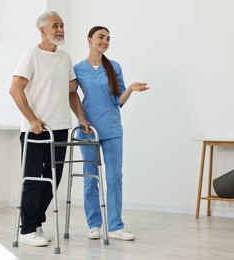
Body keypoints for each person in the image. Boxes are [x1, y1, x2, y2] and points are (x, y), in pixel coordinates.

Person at [9, 11, 90, 247]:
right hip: (36, 129)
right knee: (33, 180)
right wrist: (32, 119)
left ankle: (36, 223)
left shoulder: (65, 58)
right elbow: (15, 89)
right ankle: (26, 230)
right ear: (43, 30)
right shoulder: (31, 55)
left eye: (62, 25)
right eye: (55, 26)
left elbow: (72, 92)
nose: (60, 29)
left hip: (61, 127)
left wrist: (82, 118)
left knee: (54, 179)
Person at [74, 26, 149, 241]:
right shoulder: (77, 68)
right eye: (101, 37)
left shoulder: (114, 67)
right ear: (89, 39)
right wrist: (82, 120)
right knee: (91, 177)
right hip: (88, 129)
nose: (105, 41)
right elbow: (72, 97)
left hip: (112, 127)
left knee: (115, 177)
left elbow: (118, 101)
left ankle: (115, 226)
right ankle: (94, 224)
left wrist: (130, 90)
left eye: (108, 38)